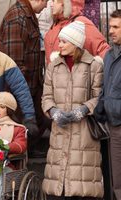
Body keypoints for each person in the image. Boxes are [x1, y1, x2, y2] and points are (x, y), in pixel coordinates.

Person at [41, 21, 104, 199]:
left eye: (63, 41)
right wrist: (53, 111)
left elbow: (99, 96)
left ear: (75, 43)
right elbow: (46, 96)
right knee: (57, 186)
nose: (59, 45)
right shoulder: (53, 66)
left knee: (81, 184)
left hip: (84, 133)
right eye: (59, 41)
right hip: (59, 131)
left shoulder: (94, 66)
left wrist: (83, 110)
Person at [0, 0, 51, 157]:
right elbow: (13, 63)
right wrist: (23, 94)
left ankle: (30, 150)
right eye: (46, 2)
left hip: (31, 86)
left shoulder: (26, 15)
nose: (47, 6)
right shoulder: (17, 18)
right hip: (21, 91)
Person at [94, 10, 121, 200]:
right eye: (110, 26)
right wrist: (101, 105)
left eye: (116, 27)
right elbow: (107, 86)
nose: (110, 31)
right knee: (117, 179)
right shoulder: (110, 55)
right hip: (114, 125)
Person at [45, 0, 110, 65]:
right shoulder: (54, 25)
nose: (51, 4)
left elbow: (102, 49)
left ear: (65, 3)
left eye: (54, 1)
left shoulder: (81, 22)